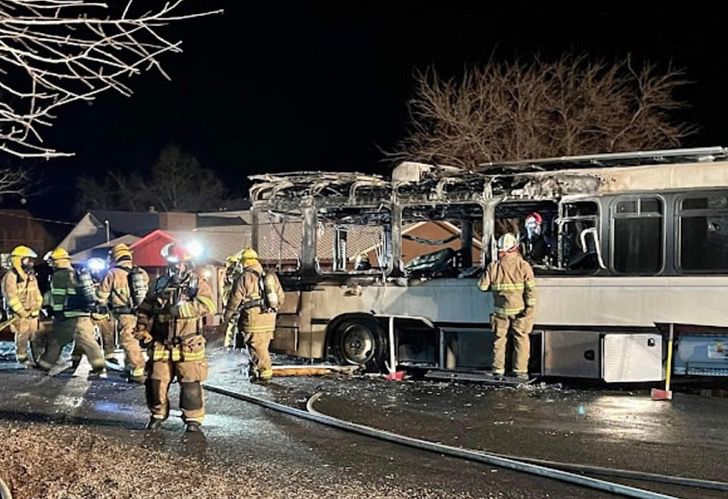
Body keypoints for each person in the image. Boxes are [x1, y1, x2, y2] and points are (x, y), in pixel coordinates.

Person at [136, 243, 216, 432]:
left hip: (187, 344)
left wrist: (181, 310)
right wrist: (141, 329)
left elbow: (209, 306)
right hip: (160, 343)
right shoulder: (159, 284)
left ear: (188, 264)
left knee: (190, 385)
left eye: (182, 264)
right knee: (155, 382)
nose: (178, 268)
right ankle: (157, 415)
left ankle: (193, 420)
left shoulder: (198, 284)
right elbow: (145, 309)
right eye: (174, 264)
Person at [37, 248, 107, 377]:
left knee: (58, 340)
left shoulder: (59, 275)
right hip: (83, 314)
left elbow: (58, 295)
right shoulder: (75, 273)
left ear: (57, 261)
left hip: (69, 316)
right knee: (87, 341)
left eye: (52, 261)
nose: (51, 264)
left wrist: (56, 312)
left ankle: (44, 365)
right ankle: (98, 366)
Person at [477, 233, 537, 380]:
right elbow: (531, 290)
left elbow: (482, 287)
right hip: (520, 311)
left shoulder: (493, 267)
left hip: (500, 312)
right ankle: (520, 371)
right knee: (521, 340)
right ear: (515, 248)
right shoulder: (523, 266)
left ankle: (498, 370)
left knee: (499, 340)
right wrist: (529, 308)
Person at [221, 248, 285, 382]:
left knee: (256, 348)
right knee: (262, 347)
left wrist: (226, 317)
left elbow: (234, 300)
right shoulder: (270, 276)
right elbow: (281, 298)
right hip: (269, 318)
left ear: (243, 262)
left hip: (252, 320)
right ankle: (255, 370)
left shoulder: (244, 277)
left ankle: (264, 375)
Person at [96, 244, 149, 383]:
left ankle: (138, 372)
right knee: (133, 340)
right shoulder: (141, 272)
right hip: (141, 313)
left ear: (115, 256)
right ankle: (129, 368)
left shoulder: (113, 273)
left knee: (128, 341)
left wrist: (100, 304)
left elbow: (101, 295)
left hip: (124, 314)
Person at [1, 245, 44, 366]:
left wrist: (38, 307)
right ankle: (22, 357)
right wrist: (21, 311)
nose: (31, 262)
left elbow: (36, 293)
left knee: (35, 336)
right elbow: (10, 296)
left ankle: (38, 357)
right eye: (28, 259)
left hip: (33, 313)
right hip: (20, 314)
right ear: (19, 259)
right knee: (23, 336)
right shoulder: (11, 276)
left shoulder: (30, 275)